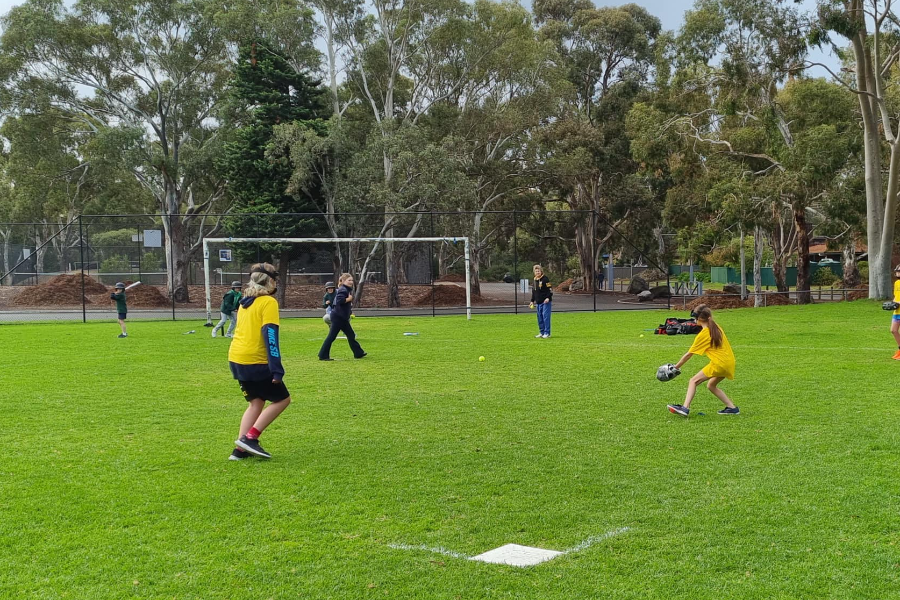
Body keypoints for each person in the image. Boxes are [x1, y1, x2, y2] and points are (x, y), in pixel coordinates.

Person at [227, 263, 291, 460]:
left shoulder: (245, 301)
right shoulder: (268, 302)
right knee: (282, 399)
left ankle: (239, 450)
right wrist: (276, 369)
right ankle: (251, 438)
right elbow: (270, 335)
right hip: (255, 361)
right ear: (271, 281)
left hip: (236, 358)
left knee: (256, 402)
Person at [666, 304, 739, 417]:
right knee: (711, 385)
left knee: (693, 381)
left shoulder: (703, 334)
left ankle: (685, 408)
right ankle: (732, 408)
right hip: (729, 363)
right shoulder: (716, 327)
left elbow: (689, 354)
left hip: (719, 364)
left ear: (698, 318)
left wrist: (676, 367)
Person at [318, 273, 366, 361]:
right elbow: (340, 301)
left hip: (342, 317)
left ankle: (358, 353)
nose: (351, 282)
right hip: (338, 317)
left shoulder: (346, 289)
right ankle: (323, 355)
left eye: (352, 280)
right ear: (343, 281)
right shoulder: (343, 290)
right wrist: (349, 299)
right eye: (349, 280)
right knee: (332, 336)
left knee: (351, 335)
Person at [529, 264, 553, 338]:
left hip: (545, 302)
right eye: (536, 271)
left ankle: (547, 333)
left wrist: (548, 298)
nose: (537, 272)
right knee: (540, 318)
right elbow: (534, 291)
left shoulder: (545, 279)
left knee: (545, 317)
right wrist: (532, 301)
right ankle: (541, 332)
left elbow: (550, 290)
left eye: (538, 271)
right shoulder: (535, 280)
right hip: (538, 302)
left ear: (541, 271)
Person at [891, 265, 900, 360]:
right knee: (893, 330)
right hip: (897, 311)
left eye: (899, 271)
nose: (897, 273)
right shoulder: (897, 283)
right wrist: (893, 303)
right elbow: (896, 296)